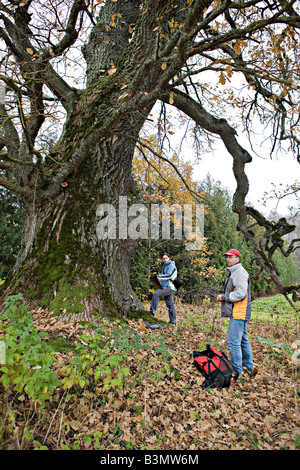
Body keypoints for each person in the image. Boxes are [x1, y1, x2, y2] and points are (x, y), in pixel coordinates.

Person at [217, 249, 254, 378]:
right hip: (239, 311)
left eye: (231, 257)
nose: (228, 259)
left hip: (239, 312)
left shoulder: (240, 273)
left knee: (232, 341)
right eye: (227, 257)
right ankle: (248, 366)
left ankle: (237, 371)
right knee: (243, 340)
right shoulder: (235, 271)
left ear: (238, 258)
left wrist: (224, 297)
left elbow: (240, 293)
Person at [150, 253, 177, 326]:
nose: (165, 260)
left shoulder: (171, 266)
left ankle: (152, 312)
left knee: (156, 294)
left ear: (169, 258)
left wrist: (158, 276)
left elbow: (168, 276)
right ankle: (173, 321)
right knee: (170, 304)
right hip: (166, 287)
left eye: (166, 258)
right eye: (163, 258)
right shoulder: (164, 266)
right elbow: (163, 278)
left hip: (170, 287)